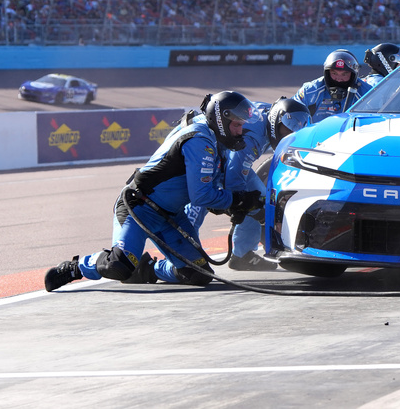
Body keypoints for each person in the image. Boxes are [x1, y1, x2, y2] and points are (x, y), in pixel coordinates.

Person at [44, 91, 264, 292]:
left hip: (170, 216)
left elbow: (213, 194)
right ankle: (75, 268)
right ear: (221, 121)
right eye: (236, 125)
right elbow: (202, 196)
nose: (240, 131)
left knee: (198, 274)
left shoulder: (218, 145)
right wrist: (238, 200)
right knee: (119, 265)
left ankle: (148, 268)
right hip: (139, 207)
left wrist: (236, 205)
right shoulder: (200, 141)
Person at [186, 97, 311, 271]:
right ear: (277, 122)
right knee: (201, 198)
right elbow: (233, 174)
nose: (288, 136)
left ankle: (243, 255)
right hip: (199, 148)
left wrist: (252, 206)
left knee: (260, 201)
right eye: (286, 131)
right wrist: (240, 203)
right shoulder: (253, 137)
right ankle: (184, 253)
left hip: (221, 153)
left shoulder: (272, 114)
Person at [295, 49, 372, 122]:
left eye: (344, 74)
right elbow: (292, 115)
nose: (339, 79)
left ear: (353, 75)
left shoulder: (368, 94)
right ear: (327, 73)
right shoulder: (310, 91)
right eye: (334, 73)